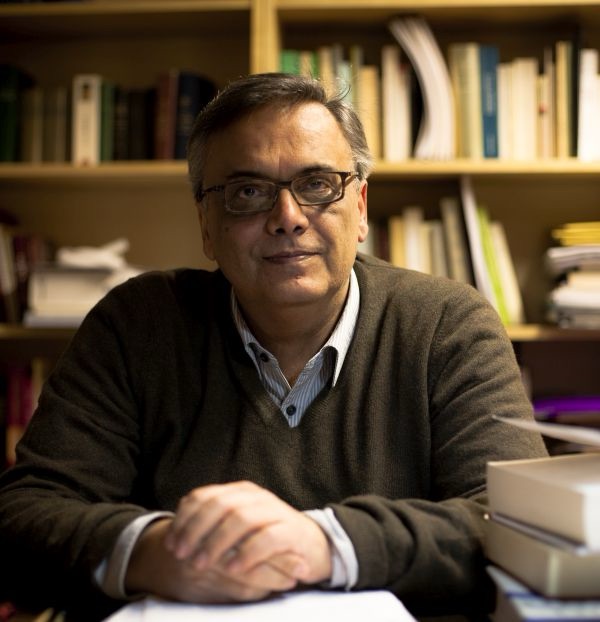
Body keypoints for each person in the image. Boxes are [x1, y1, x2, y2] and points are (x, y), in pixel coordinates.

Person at [0, 73, 547, 621]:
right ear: (206, 225)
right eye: (248, 193)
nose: (287, 218)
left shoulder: (449, 325)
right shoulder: (138, 326)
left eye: (317, 184)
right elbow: (22, 516)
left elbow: (519, 525)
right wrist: (151, 550)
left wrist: (324, 544)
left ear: (360, 207)